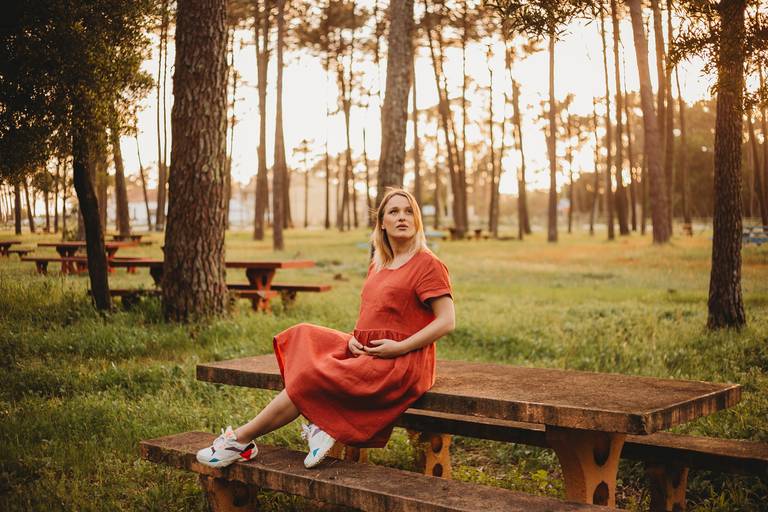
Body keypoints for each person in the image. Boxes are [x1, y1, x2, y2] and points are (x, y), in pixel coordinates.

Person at [196, 188, 455, 469]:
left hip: (404, 361)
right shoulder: (379, 265)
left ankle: (241, 441)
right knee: (303, 335)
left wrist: (400, 347)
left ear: (417, 220)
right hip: (371, 351)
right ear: (382, 222)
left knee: (310, 378)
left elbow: (447, 320)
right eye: (394, 212)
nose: (402, 217)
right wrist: (355, 339)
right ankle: (317, 425)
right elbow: (375, 314)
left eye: (408, 212)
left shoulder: (428, 264)